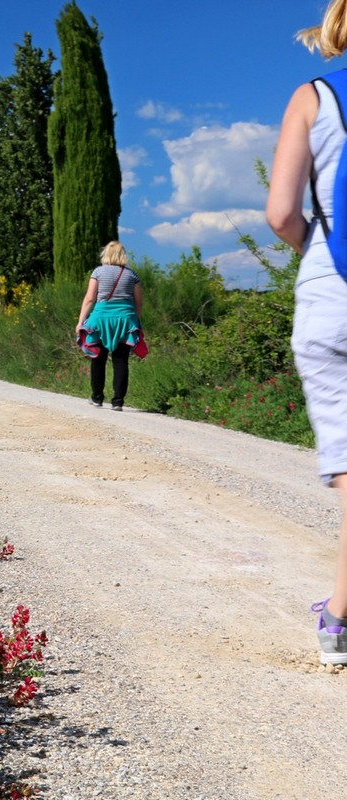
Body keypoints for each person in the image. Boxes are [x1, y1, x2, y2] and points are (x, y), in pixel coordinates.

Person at [265, 0, 347, 666]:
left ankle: (340, 617)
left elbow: (280, 211)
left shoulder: (315, 97)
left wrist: (313, 250)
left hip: (332, 292)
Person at [74, 241, 145, 411]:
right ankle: (118, 402)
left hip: (101, 320)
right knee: (121, 361)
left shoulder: (98, 272)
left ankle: (97, 397)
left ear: (106, 254)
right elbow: (139, 302)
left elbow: (90, 298)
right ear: (123, 255)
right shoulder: (132, 275)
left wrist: (80, 321)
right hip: (125, 320)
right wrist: (135, 320)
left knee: (98, 358)